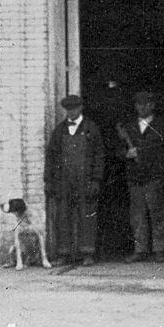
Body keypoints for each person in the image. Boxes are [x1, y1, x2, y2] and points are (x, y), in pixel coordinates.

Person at [44, 94, 105, 267]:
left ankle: (87, 253)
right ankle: (64, 253)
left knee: (87, 216)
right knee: (63, 217)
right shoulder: (59, 130)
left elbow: (99, 156)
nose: (71, 112)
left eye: (74, 109)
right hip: (64, 181)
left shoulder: (91, 129)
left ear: (80, 108)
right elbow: (51, 157)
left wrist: (96, 180)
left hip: (86, 180)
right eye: (68, 109)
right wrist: (49, 180)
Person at [115, 90, 164, 261]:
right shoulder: (128, 127)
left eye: (146, 104)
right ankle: (140, 250)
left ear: (152, 105)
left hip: (154, 175)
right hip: (135, 177)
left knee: (157, 213)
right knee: (137, 215)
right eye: (139, 104)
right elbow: (118, 150)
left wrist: (141, 152)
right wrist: (126, 154)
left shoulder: (162, 125)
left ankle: (160, 249)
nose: (142, 107)